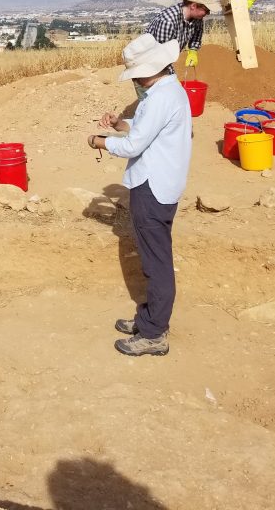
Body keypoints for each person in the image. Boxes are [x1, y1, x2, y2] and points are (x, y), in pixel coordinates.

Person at [88, 35, 191, 357]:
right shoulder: (168, 90)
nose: (133, 79)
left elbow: (134, 147)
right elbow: (147, 129)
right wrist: (122, 123)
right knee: (154, 257)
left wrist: (100, 141)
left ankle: (154, 333)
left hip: (152, 185)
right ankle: (149, 318)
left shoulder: (160, 97)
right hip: (160, 183)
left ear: (146, 71)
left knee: (156, 263)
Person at [145, 0, 221, 69]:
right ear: (193, 6)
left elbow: (196, 37)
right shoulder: (168, 21)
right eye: (206, 10)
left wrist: (193, 51)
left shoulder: (197, 19)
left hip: (164, 60)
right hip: (148, 64)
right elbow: (161, 57)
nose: (208, 14)